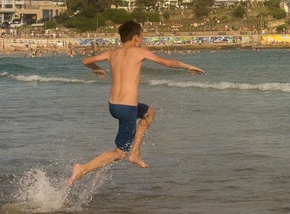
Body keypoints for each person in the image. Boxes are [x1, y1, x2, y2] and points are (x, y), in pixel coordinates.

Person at [68, 20, 205, 187]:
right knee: (119, 154)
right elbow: (168, 63)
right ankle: (83, 168)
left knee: (149, 113)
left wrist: (97, 68)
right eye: (142, 37)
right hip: (127, 109)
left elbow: (85, 60)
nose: (142, 41)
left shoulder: (112, 53)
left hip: (114, 106)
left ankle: (136, 152)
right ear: (135, 38)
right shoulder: (139, 52)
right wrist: (188, 66)